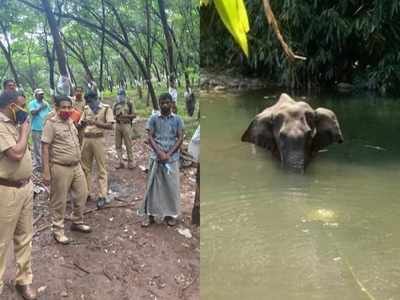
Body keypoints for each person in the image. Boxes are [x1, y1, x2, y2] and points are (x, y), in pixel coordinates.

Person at [0, 91, 37, 300]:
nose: (24, 111)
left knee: (25, 237)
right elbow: (15, 154)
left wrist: (21, 128)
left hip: (25, 188)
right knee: (2, 241)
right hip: (6, 190)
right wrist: (24, 131)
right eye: (21, 106)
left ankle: (24, 280)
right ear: (11, 105)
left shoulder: (14, 123)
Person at [41, 96, 92, 245]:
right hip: (60, 167)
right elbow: (44, 148)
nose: (67, 110)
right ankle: (58, 230)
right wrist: (46, 171)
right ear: (56, 108)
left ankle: (77, 221)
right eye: (63, 107)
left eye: (69, 107)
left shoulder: (70, 121)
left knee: (82, 194)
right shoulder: (51, 124)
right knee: (59, 200)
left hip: (76, 166)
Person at [140, 93, 184, 227]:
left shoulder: (177, 120)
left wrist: (169, 154)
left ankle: (170, 215)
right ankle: (150, 215)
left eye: (167, 102)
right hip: (156, 157)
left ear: (172, 103)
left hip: (172, 159)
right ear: (159, 104)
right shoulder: (153, 118)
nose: (165, 105)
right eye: (162, 103)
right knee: (152, 186)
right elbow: (150, 137)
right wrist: (159, 152)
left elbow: (180, 138)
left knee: (171, 187)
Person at [80, 90, 114, 208]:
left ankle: (102, 196)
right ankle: (86, 193)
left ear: (96, 99)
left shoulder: (105, 109)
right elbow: (81, 123)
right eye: (87, 102)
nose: (89, 104)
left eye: (91, 101)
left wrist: (96, 123)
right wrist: (82, 123)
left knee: (101, 168)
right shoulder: (86, 109)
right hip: (86, 139)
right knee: (85, 168)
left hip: (98, 139)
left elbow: (110, 126)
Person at [28, 88, 51, 172]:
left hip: (45, 128)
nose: (42, 96)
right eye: (40, 94)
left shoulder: (46, 103)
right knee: (37, 147)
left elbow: (50, 114)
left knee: (45, 146)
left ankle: (45, 163)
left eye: (42, 94)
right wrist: (41, 107)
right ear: (36, 95)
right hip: (36, 128)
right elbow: (33, 112)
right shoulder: (32, 103)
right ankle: (38, 165)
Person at [112, 88, 136, 169]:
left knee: (128, 144)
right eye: (118, 95)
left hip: (126, 125)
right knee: (118, 145)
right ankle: (120, 162)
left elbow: (134, 115)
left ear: (124, 96)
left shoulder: (129, 103)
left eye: (121, 95)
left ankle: (131, 162)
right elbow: (112, 116)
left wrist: (125, 116)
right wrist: (116, 117)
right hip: (117, 125)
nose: (119, 97)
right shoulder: (115, 104)